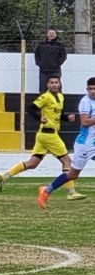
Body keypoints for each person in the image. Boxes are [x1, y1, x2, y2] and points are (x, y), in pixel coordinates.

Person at [0, 75, 85, 200]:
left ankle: (4, 176)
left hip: (44, 135)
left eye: (56, 82)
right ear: (47, 85)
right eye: (51, 83)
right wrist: (40, 118)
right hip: (49, 134)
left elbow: (57, 115)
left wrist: (67, 118)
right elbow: (31, 109)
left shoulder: (60, 97)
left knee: (32, 163)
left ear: (59, 84)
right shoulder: (45, 97)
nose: (54, 84)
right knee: (67, 161)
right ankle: (71, 192)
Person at [38, 77, 95, 209]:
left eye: (94, 89)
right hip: (85, 144)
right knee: (72, 174)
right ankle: (46, 191)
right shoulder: (85, 102)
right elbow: (85, 122)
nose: (92, 91)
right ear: (87, 90)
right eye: (90, 89)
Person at [34, 28, 67, 94]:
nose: (51, 34)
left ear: (56, 35)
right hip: (43, 70)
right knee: (43, 88)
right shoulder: (41, 45)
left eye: (53, 33)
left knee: (56, 88)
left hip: (55, 71)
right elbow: (36, 55)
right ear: (47, 34)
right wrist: (39, 64)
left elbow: (63, 56)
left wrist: (57, 64)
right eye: (50, 33)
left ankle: (58, 102)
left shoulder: (59, 45)